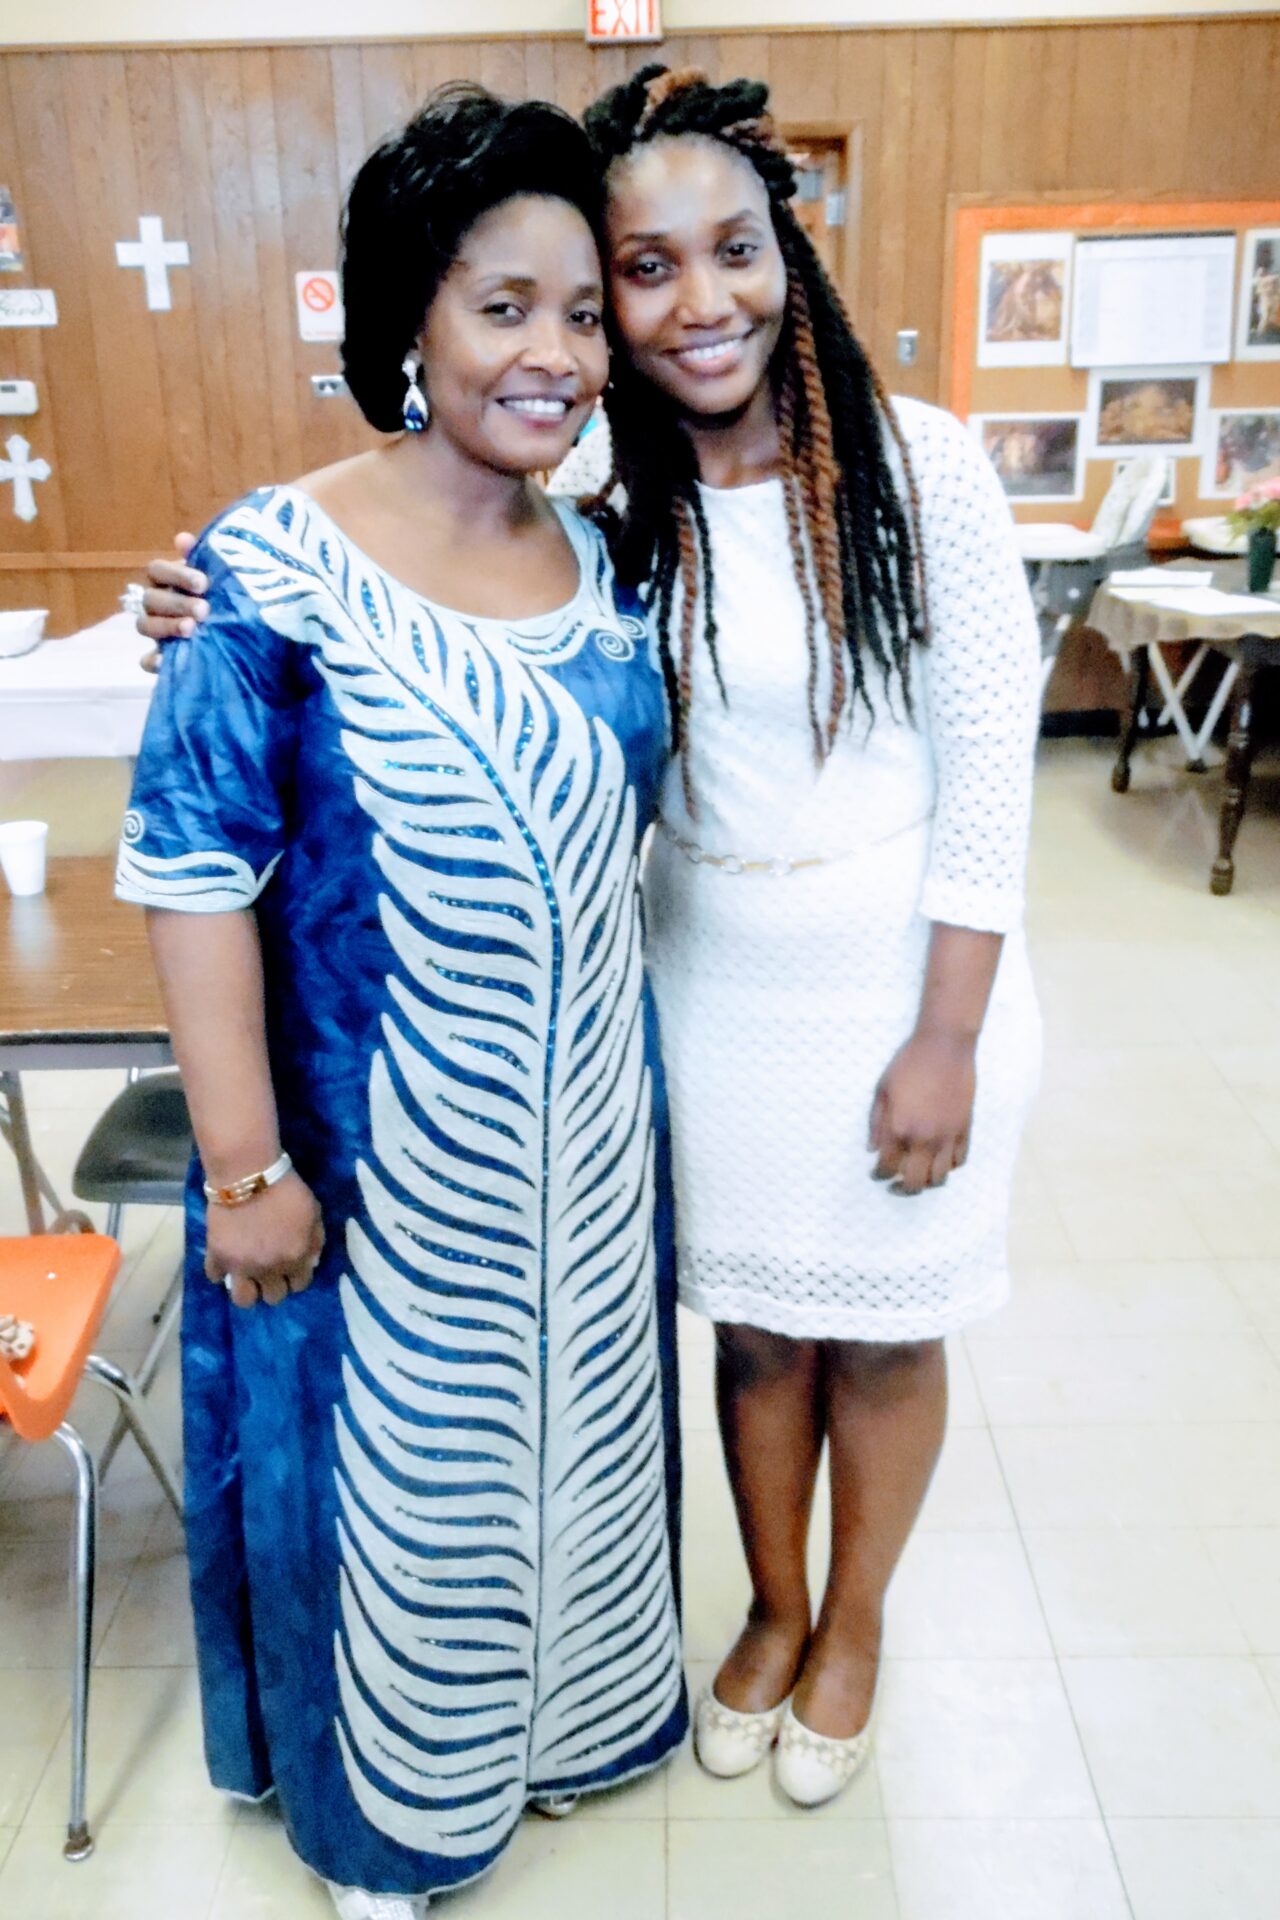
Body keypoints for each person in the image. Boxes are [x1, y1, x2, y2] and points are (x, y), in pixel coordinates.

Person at [139, 62, 1041, 1816]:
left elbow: (994, 781)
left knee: (889, 1327)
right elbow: (359, 598)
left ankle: (851, 1631)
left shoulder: (917, 468)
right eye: (641, 272)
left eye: (735, 252)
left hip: (896, 980)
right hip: (697, 989)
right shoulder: (613, 488)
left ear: (793, 251)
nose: (693, 303)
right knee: (760, 1334)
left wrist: (950, 1034)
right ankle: (771, 1616)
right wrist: (193, 593)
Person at [118, 85, 685, 1920]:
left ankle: (561, 1727)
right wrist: (238, 1170)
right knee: (403, 1498)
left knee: (575, 1443)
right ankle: (396, 1826)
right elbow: (194, 876)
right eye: (500, 304)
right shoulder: (266, 571)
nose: (558, 352)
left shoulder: (600, 566)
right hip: (374, 1178)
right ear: (407, 321)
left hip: (585, 1149)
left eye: (585, 311)